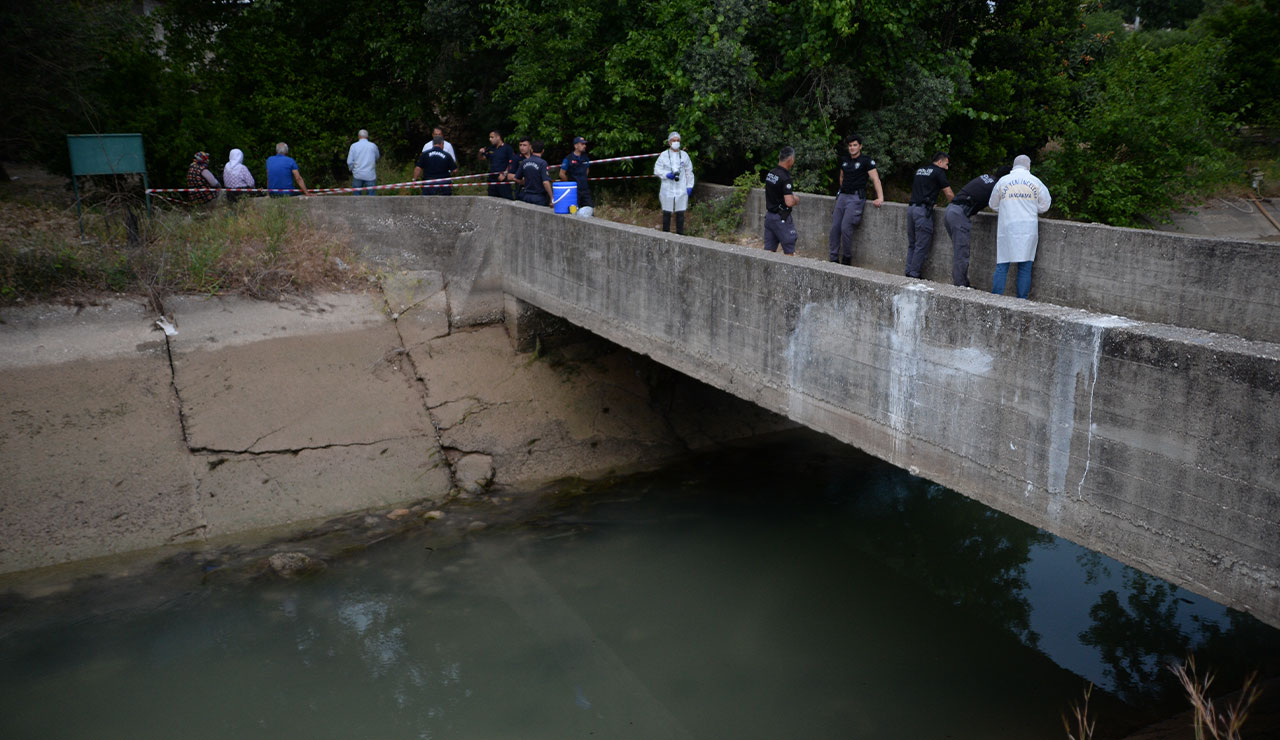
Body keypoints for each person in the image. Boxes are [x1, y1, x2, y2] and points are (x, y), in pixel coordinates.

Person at [989, 155, 1052, 299]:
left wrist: (1006, 208)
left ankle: (995, 298)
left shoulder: (1003, 181)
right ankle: (1021, 300)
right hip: (1028, 227)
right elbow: (1045, 205)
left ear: (1013, 165)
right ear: (1028, 166)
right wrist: (1031, 207)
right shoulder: (1035, 182)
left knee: (1002, 264)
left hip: (1007, 226)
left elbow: (993, 204)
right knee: (1025, 266)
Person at [944, 165, 1011, 287]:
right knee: (961, 251)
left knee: (959, 250)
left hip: (950, 210)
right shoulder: (997, 187)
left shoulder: (986, 177)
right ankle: (960, 285)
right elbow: (999, 205)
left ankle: (961, 282)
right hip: (959, 214)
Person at [828, 135, 884, 265]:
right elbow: (841, 177)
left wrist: (880, 197)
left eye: (854, 145)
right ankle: (833, 258)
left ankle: (847, 258)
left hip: (855, 197)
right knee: (835, 227)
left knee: (845, 227)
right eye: (850, 145)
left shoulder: (866, 161)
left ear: (860, 146)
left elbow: (875, 179)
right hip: (843, 196)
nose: (852, 148)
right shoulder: (845, 160)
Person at [904, 151, 954, 278]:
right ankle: (914, 275)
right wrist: (956, 206)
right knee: (921, 245)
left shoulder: (920, 170)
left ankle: (908, 271)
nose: (947, 168)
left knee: (912, 244)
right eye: (946, 164)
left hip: (912, 209)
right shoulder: (938, 172)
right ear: (940, 162)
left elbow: (922, 189)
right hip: (923, 212)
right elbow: (948, 193)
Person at [654, 131, 694, 234]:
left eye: (678, 140)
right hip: (667, 188)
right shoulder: (664, 155)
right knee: (667, 213)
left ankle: (680, 235)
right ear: (669, 142)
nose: (676, 142)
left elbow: (689, 172)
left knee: (680, 213)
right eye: (673, 140)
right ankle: (665, 234)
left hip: (681, 188)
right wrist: (666, 174)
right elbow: (657, 170)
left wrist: (689, 186)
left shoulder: (684, 155)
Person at [763, 146, 799, 256]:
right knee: (789, 249)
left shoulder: (771, 173)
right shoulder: (785, 178)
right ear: (790, 160)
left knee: (769, 251)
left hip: (769, 217)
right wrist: (796, 199)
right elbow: (789, 202)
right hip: (781, 218)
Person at [478, 130, 517, 200]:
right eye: (489, 137)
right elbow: (482, 158)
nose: (490, 139)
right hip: (492, 179)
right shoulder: (490, 148)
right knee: (492, 199)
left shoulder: (507, 148)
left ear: (498, 137)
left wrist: (505, 174)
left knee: (507, 199)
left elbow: (512, 162)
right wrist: (480, 152)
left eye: (492, 137)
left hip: (502, 179)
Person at [560, 136, 593, 216]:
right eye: (582, 144)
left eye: (585, 144)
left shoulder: (585, 158)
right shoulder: (568, 159)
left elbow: (587, 171)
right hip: (574, 191)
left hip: (585, 189)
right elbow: (561, 174)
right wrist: (570, 185)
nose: (584, 146)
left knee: (590, 209)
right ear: (576, 146)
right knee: (573, 212)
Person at [515, 139, 552, 206]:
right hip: (539, 197)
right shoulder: (542, 163)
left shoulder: (524, 162)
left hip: (526, 195)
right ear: (543, 151)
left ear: (531, 149)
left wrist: (524, 182)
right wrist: (552, 197)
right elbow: (545, 182)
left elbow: (516, 178)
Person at [346, 129, 380, 195]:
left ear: (358, 136)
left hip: (358, 174)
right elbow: (377, 157)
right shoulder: (373, 146)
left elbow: (349, 161)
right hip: (370, 174)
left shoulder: (354, 146)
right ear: (367, 137)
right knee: (371, 196)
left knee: (357, 196)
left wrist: (352, 169)